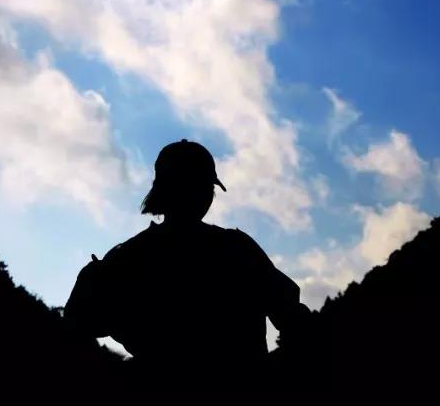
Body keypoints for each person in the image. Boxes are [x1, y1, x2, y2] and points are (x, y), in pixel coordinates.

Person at [64, 139, 311, 372]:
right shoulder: (238, 249)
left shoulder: (127, 257)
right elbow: (293, 319)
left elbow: (78, 326)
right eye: (203, 187)